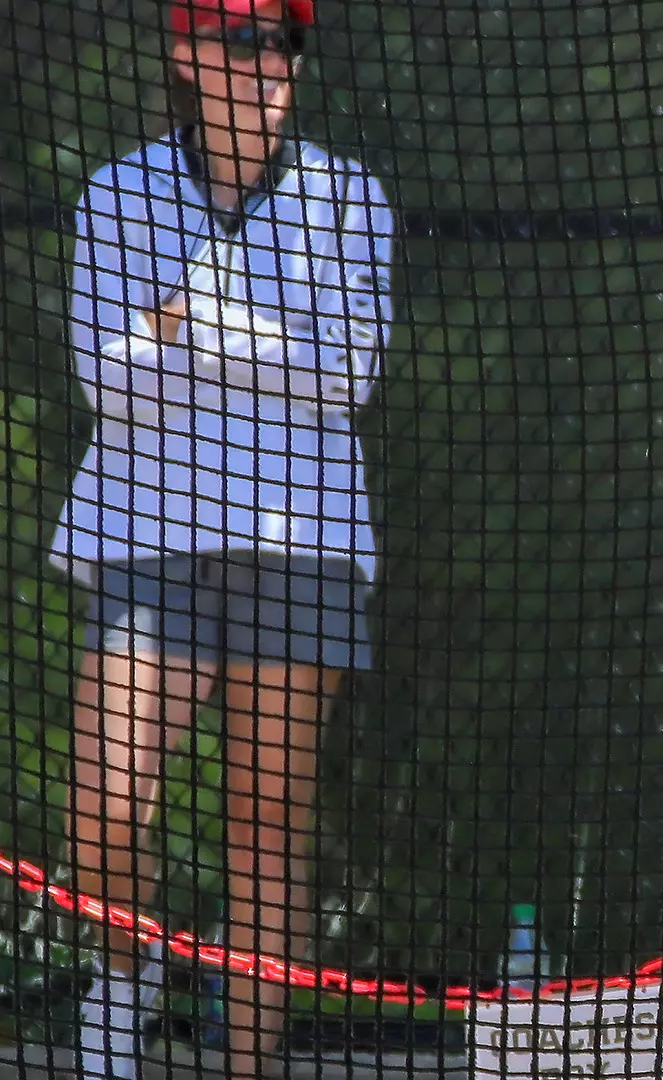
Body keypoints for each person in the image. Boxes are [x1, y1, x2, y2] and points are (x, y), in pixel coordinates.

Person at [56, 0, 393, 1077]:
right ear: (183, 54)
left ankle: (246, 1061)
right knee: (105, 797)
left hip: (304, 539)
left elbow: (347, 377)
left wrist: (189, 324)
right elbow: (104, 379)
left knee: (265, 818)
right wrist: (265, 345)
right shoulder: (118, 190)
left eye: (280, 39)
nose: (263, 60)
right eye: (237, 36)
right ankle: (126, 977)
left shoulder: (351, 196)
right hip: (142, 533)